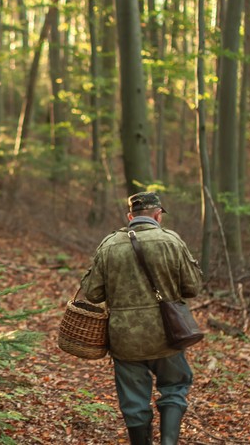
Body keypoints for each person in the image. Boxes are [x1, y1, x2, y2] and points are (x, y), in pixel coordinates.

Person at [80, 191, 203, 445]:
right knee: (174, 388)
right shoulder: (171, 241)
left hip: (125, 340)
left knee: (134, 402)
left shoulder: (110, 245)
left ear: (130, 216)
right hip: (167, 335)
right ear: (158, 215)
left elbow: (92, 293)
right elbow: (192, 287)